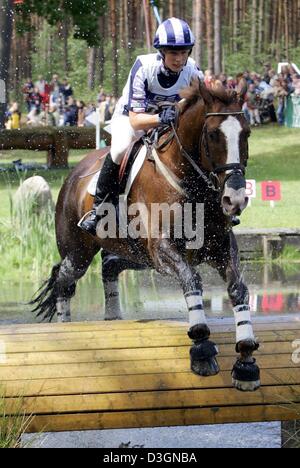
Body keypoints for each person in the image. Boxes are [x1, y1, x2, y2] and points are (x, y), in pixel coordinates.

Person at [80, 17, 203, 235]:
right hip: (131, 119)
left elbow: (203, 101)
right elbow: (136, 119)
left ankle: (213, 209)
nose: (179, 58)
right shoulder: (144, 66)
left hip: (168, 123)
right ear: (162, 52)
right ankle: (99, 208)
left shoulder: (192, 70)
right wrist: (160, 119)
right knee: (120, 148)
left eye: (184, 52)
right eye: (174, 53)